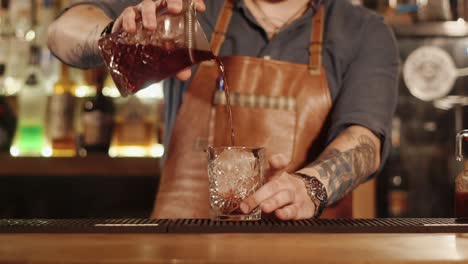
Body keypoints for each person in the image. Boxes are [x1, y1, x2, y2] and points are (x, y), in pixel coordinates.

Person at [47, 0, 399, 220]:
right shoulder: (191, 11)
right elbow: (61, 32)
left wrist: (311, 187)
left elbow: (364, 139)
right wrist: (113, 34)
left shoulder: (363, 31)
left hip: (307, 250)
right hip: (183, 247)